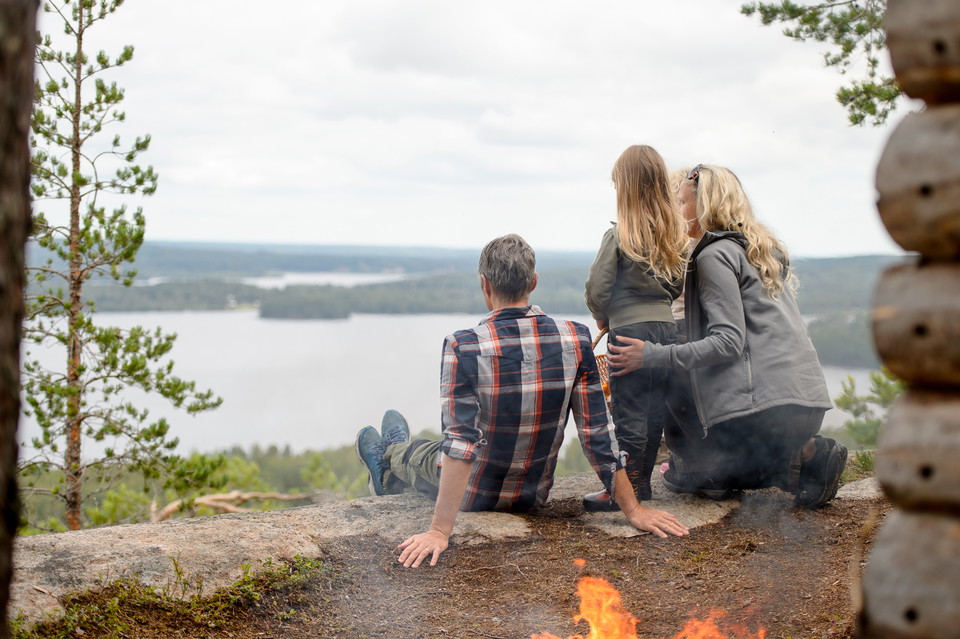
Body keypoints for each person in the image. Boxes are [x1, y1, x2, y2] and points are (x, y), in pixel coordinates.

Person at [355, 234, 690, 569]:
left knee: (423, 453)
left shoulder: (463, 347)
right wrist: (633, 509)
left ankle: (387, 462)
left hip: (475, 496)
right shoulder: (576, 338)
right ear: (534, 282)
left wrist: (440, 531)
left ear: (485, 285)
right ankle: (391, 461)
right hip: (531, 496)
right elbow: (598, 434)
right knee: (437, 449)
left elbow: (460, 446)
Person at [606, 164, 846, 509]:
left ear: (704, 207)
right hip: (804, 407)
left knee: (668, 368)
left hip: (767, 412)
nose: (676, 211)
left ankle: (701, 468)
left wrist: (650, 353)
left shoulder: (713, 254)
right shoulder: (758, 249)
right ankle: (801, 459)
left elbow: (728, 343)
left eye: (682, 202)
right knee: (678, 356)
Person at [581, 145, 688, 510]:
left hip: (628, 332)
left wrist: (603, 314)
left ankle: (624, 493)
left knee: (628, 414)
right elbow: (676, 286)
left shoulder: (618, 236)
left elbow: (598, 288)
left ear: (625, 189)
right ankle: (642, 485)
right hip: (664, 330)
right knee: (654, 412)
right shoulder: (673, 237)